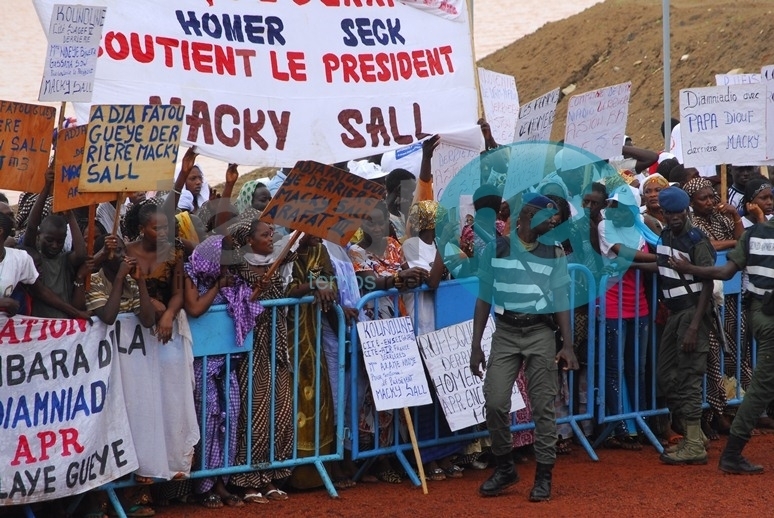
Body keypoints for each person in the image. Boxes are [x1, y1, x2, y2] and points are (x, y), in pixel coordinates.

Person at [470, 193, 578, 501]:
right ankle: (505, 466)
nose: (555, 221)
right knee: (495, 402)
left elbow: (560, 300)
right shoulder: (497, 248)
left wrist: (567, 346)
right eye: (550, 217)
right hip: (504, 332)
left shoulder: (554, 252)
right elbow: (483, 297)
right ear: (529, 217)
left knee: (544, 406)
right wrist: (476, 345)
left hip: (540, 333)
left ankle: (543, 475)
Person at [669, 210, 774, 474]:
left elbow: (726, 272)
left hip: (758, 314)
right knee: (762, 387)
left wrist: (690, 268)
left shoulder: (752, 234)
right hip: (770, 319)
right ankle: (732, 453)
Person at [633, 187, 714, 464]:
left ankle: (693, 443)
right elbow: (662, 266)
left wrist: (694, 325)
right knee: (666, 375)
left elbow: (708, 282)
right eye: (669, 213)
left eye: (678, 212)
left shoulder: (696, 240)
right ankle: (695, 434)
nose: (674, 217)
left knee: (689, 377)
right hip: (673, 313)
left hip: (692, 313)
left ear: (686, 210)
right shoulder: (665, 235)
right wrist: (628, 264)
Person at [228, 219, 295, 502]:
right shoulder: (239, 267)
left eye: (271, 233)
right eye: (264, 234)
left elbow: (284, 293)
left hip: (276, 344)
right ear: (249, 241)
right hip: (251, 347)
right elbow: (243, 302)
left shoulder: (275, 262)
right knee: (254, 413)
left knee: (280, 410)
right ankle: (247, 480)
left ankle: (270, 476)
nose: (271, 238)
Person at [183, 235, 245, 509]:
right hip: (202, 364)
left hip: (226, 362)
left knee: (230, 417)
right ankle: (203, 484)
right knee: (206, 420)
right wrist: (218, 286)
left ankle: (222, 480)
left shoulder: (229, 277)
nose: (225, 268)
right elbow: (195, 308)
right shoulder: (191, 274)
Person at [285, 232, 338, 490]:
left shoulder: (322, 251)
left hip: (314, 338)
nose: (319, 233)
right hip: (287, 336)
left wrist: (326, 285)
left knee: (319, 397)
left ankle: (319, 470)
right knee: (293, 399)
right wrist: (314, 286)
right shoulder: (284, 250)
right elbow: (285, 289)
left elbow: (332, 283)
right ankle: (292, 474)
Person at [124, 201, 185, 344]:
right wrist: (150, 301)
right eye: (157, 229)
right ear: (142, 228)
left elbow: (178, 294)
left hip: (165, 328)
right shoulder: (127, 251)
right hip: (130, 331)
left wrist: (169, 314)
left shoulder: (174, 253)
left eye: (166, 228)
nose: (163, 233)